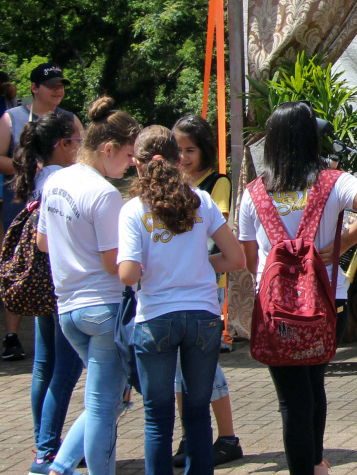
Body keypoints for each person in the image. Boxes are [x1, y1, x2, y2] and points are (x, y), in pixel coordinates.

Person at [238, 101, 357, 474]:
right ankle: (316, 463)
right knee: (314, 383)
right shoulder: (334, 182)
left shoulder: (253, 193)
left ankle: (306, 468)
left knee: (292, 400)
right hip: (326, 301)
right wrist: (345, 241)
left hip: (275, 312)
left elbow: (247, 257)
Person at [117, 125, 245, 474]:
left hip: (155, 317)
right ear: (178, 161)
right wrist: (198, 264)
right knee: (197, 411)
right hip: (202, 315)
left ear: (138, 164)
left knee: (157, 417)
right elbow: (236, 259)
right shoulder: (201, 200)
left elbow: (128, 275)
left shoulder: (132, 210)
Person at [37, 96, 139, 474]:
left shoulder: (56, 180)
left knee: (109, 400)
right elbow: (114, 264)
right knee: (102, 404)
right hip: (103, 308)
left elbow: (44, 242)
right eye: (128, 155)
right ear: (108, 148)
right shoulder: (105, 194)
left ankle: (58, 466)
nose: (131, 163)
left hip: (68, 309)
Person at [0, 63, 83, 361]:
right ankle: (11, 336)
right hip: (21, 209)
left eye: (61, 84)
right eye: (51, 84)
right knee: (20, 267)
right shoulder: (12, 118)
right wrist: (28, 168)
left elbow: (83, 158)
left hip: (61, 210)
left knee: (57, 266)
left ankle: (61, 328)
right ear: (34, 87)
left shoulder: (70, 120)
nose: (58, 89)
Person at [11, 112, 85, 474]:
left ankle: (46, 442)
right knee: (65, 370)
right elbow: (48, 239)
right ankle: (48, 450)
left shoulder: (40, 175)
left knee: (44, 367)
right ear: (63, 144)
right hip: (63, 287)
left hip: (44, 286)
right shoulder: (64, 179)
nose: (82, 145)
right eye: (78, 139)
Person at [170, 114, 243, 466]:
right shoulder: (166, 184)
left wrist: (196, 265)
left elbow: (220, 238)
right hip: (173, 288)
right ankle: (190, 437)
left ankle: (227, 437)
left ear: (205, 151)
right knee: (180, 376)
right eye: (177, 150)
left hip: (205, 288)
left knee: (204, 368)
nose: (183, 157)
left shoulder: (218, 182)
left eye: (190, 150)